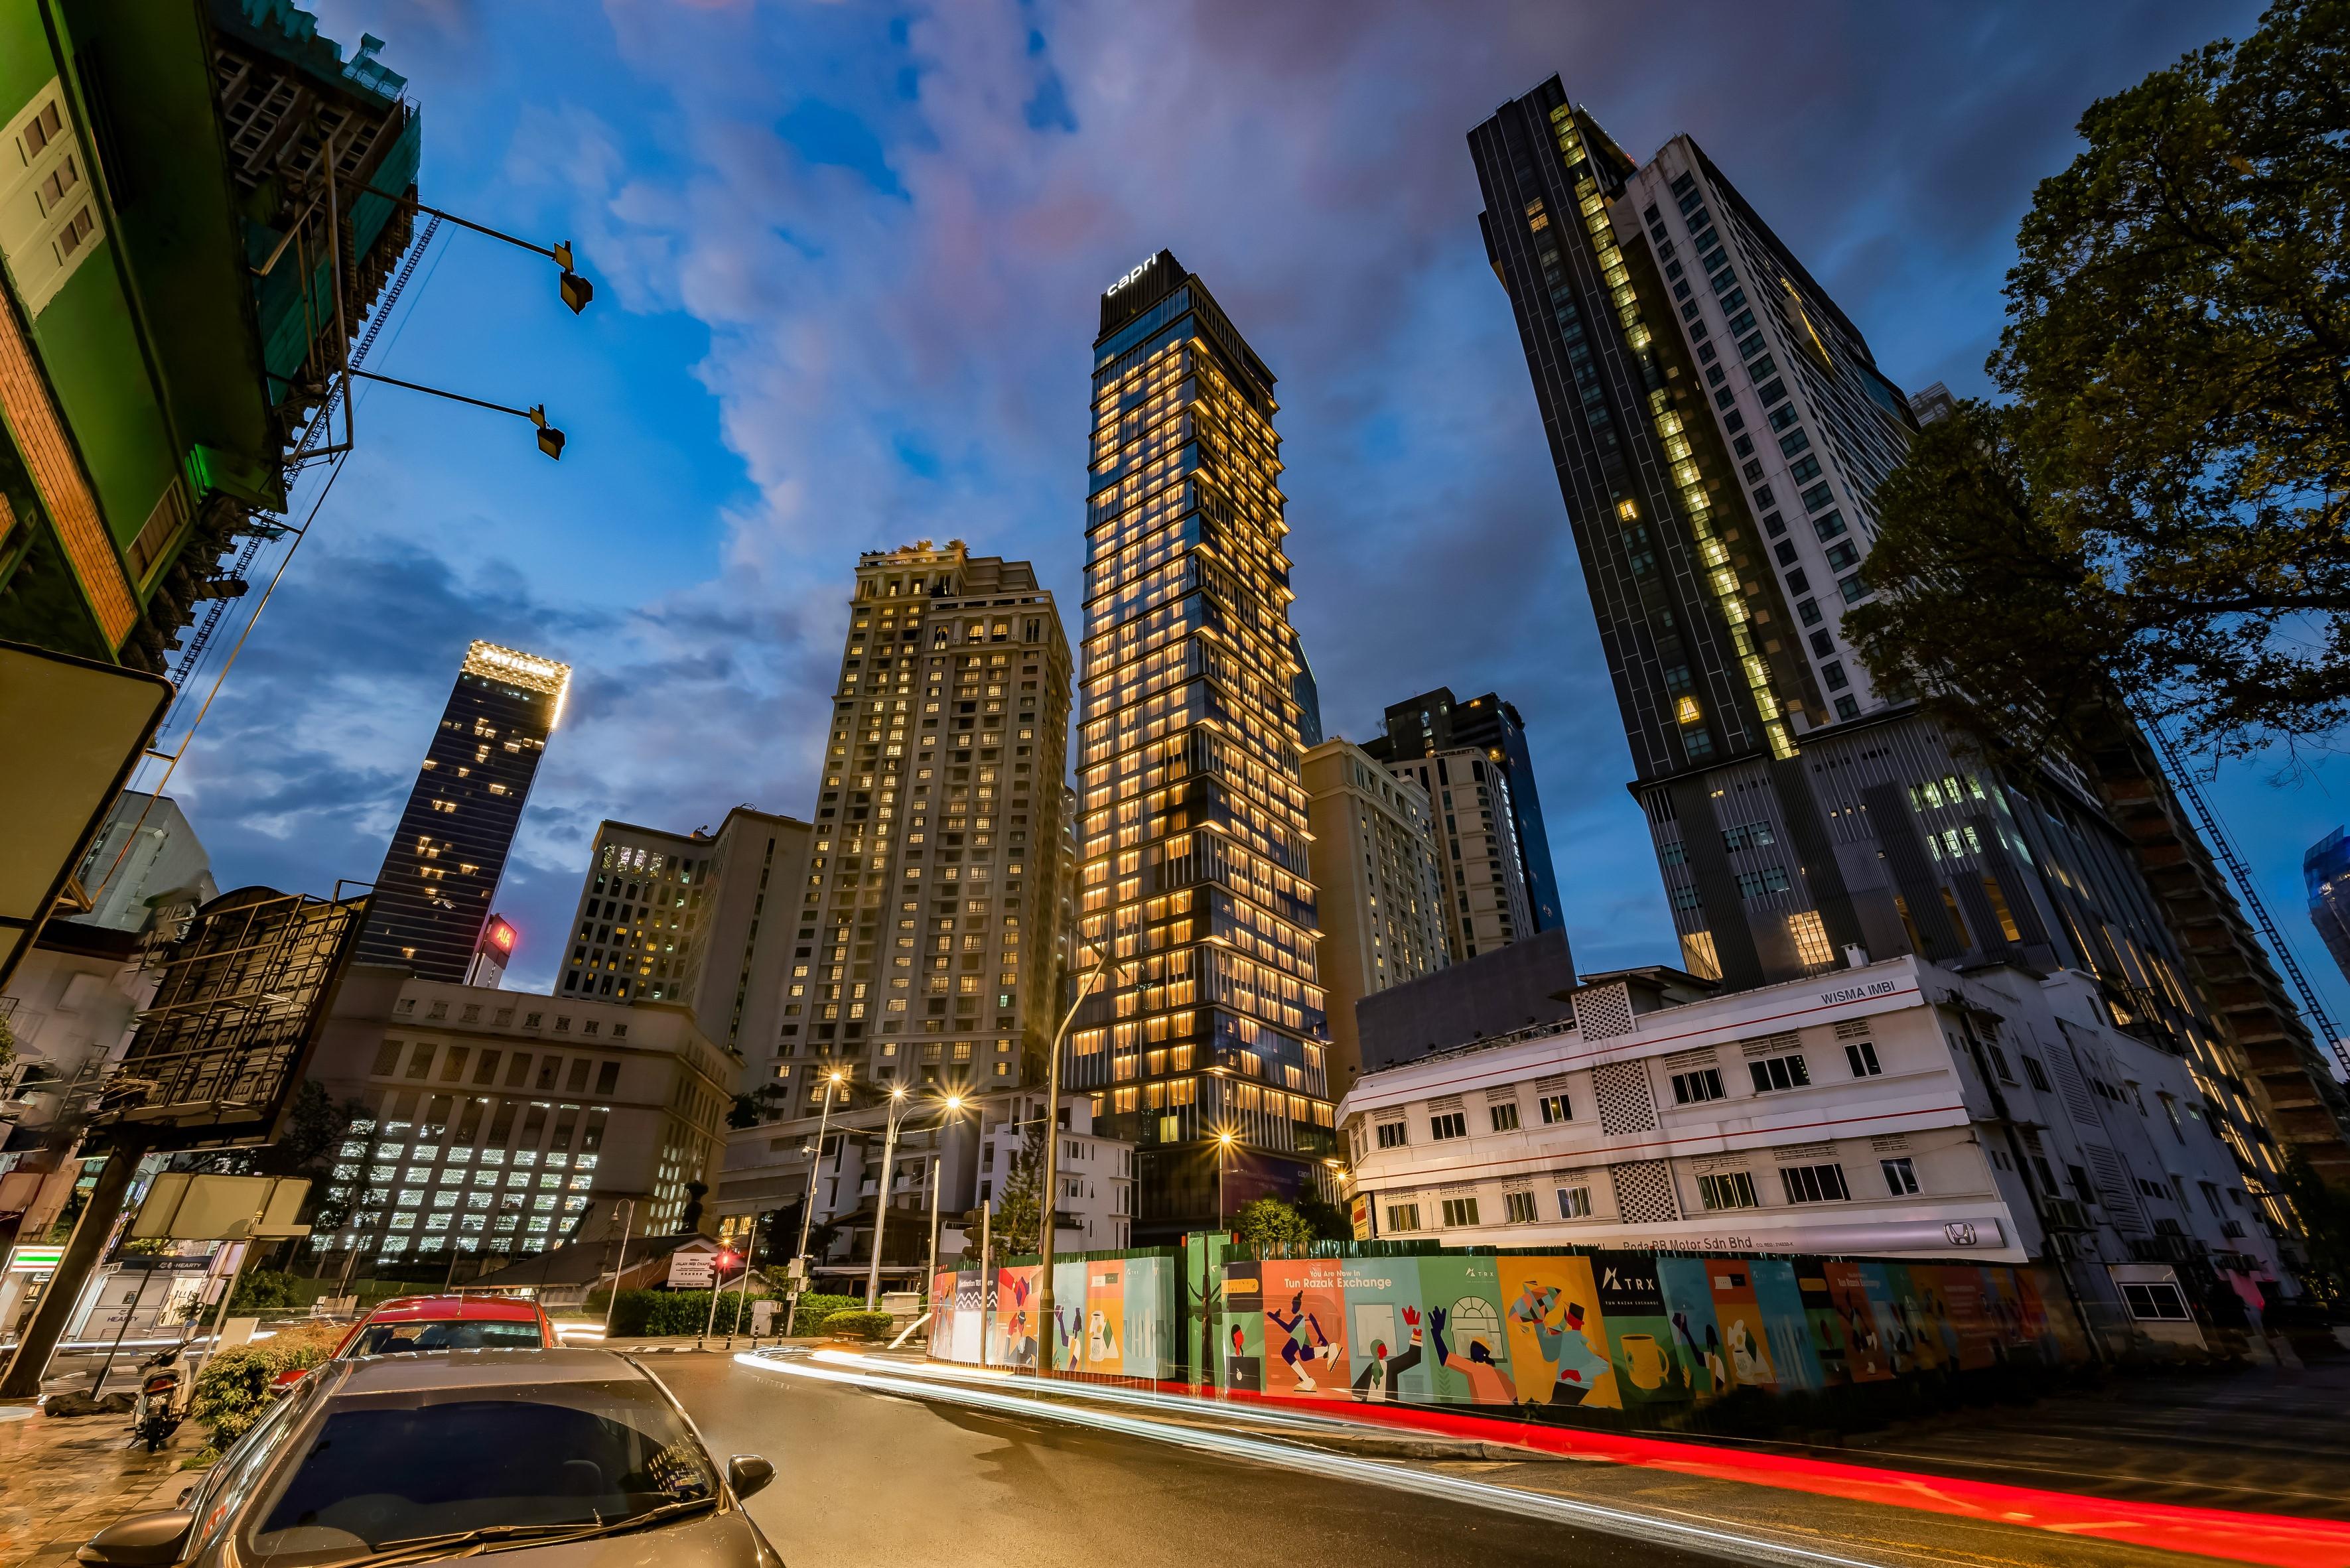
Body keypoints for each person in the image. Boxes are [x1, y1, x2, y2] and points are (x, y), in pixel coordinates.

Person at [1428, 1305, 1513, 1404]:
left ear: (1485, 1352)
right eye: (1473, 1348)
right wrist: (1436, 1335)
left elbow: (1514, 1395)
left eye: (1477, 1348)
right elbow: (1446, 1358)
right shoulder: (1473, 1368)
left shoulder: (1497, 1373)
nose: (1474, 1351)